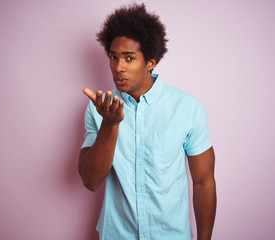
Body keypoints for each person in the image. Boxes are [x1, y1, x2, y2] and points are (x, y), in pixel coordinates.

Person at [78, 3, 216, 240]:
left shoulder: (187, 108)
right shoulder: (98, 108)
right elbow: (91, 181)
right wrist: (110, 125)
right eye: (113, 57)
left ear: (150, 62)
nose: (118, 67)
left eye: (129, 58)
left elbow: (203, 182)